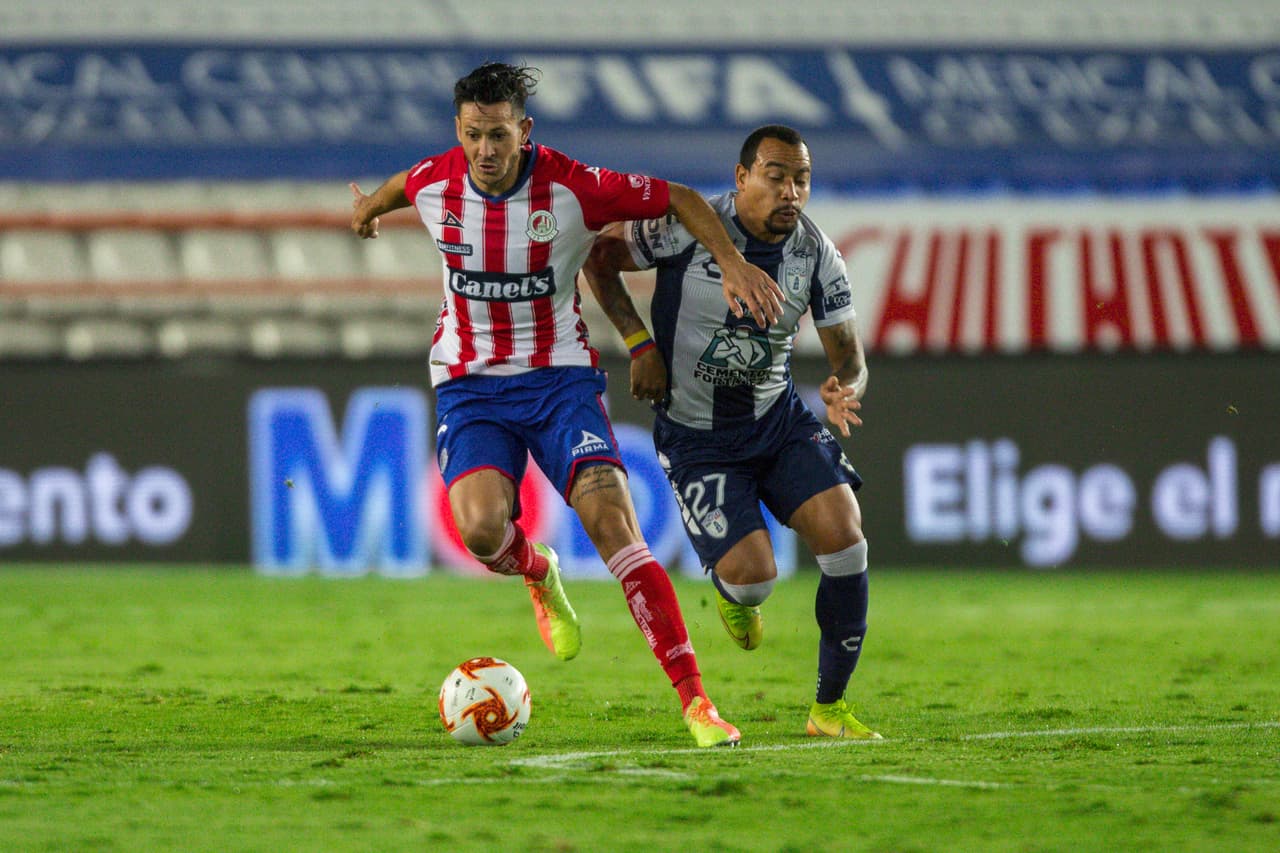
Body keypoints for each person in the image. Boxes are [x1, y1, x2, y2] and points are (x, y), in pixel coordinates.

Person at [349, 62, 785, 747]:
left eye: (498, 135)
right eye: (472, 135)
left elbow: (677, 197)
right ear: (458, 131)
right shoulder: (438, 180)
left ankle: (697, 704)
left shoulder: (575, 187)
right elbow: (402, 185)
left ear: (524, 130)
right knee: (481, 531)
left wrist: (731, 262)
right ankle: (538, 569)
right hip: (470, 385)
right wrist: (366, 210)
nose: (485, 150)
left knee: (615, 527)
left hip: (559, 382)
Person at [582, 124, 882, 739]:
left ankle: (828, 709)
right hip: (698, 437)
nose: (790, 192)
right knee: (754, 581)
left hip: (777, 422)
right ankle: (732, 591)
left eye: (801, 179)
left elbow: (850, 358)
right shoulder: (686, 228)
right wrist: (638, 343)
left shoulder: (816, 254)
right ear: (742, 177)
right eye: (776, 177)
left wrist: (845, 385)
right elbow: (600, 259)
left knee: (847, 540)